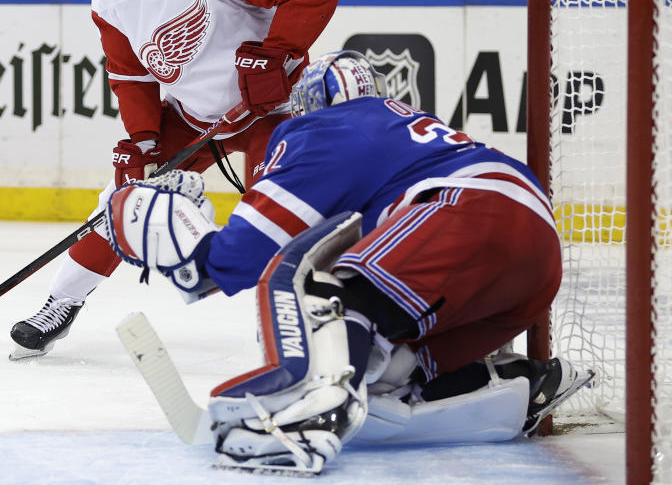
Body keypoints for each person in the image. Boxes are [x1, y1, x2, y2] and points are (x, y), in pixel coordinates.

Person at [103, 51, 594, 474]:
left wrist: (178, 243)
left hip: (469, 211)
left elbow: (243, 253)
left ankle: (311, 416)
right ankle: (516, 381)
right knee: (382, 370)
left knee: (324, 292)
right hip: (534, 257)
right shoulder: (402, 131)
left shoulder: (331, 126)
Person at [9, 0, 339, 360]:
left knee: (283, 213)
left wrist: (275, 53)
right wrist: (143, 141)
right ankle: (61, 302)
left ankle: (305, 317)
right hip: (192, 115)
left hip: (270, 110)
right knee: (123, 198)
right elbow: (132, 76)